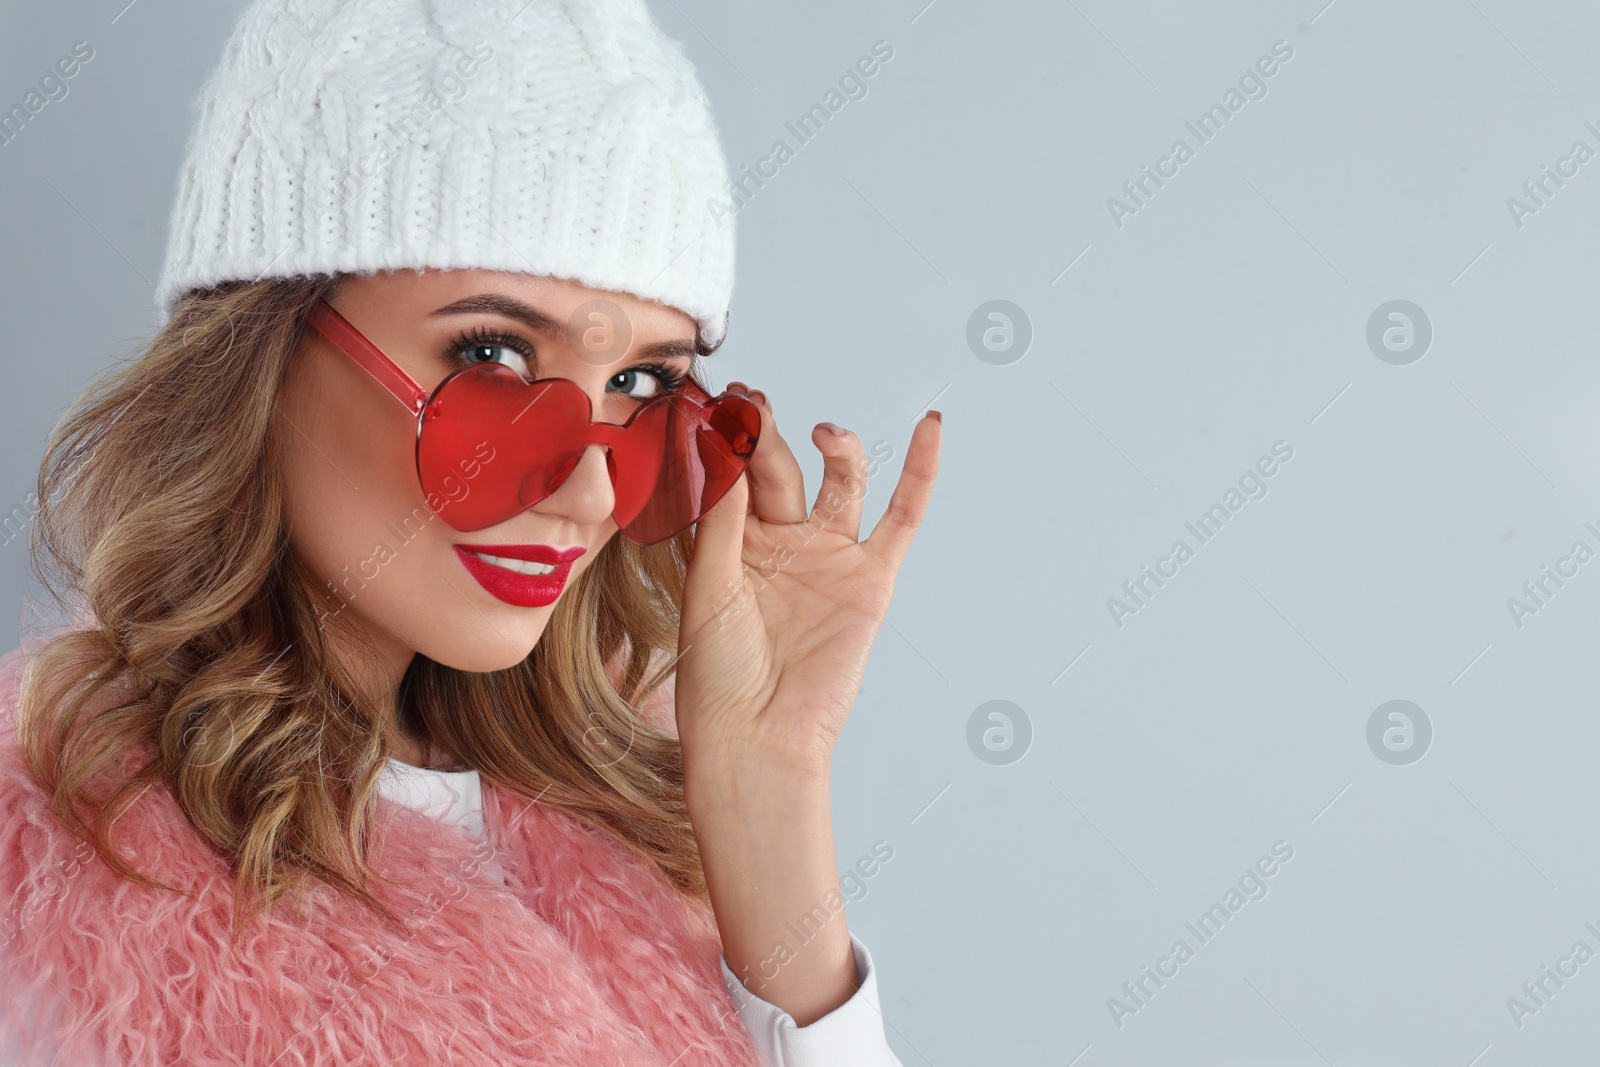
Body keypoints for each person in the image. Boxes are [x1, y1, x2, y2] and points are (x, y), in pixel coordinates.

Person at [0, 1, 941, 1064]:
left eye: (641, 384)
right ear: (261, 348)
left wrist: (772, 791)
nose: (588, 489)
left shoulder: (623, 832)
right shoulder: (49, 897)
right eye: (490, 359)